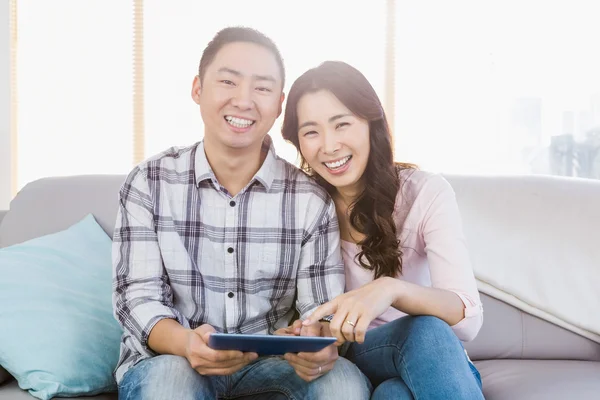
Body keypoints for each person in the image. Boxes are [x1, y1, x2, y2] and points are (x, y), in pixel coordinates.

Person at [112, 29, 371, 400]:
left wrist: (316, 342)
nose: (244, 100)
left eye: (262, 88)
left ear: (280, 104)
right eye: (228, 82)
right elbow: (137, 297)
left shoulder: (310, 199)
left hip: (274, 362)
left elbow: (321, 309)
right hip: (174, 358)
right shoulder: (149, 182)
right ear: (198, 89)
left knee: (342, 382)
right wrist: (187, 343)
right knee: (167, 383)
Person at [281, 60, 485, 400]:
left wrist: (392, 290)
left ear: (371, 123)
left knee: (395, 392)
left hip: (429, 363)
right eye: (311, 131)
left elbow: (468, 318)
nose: (329, 146)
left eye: (342, 124)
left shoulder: (424, 192)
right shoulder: (302, 203)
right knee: (423, 332)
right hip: (349, 358)